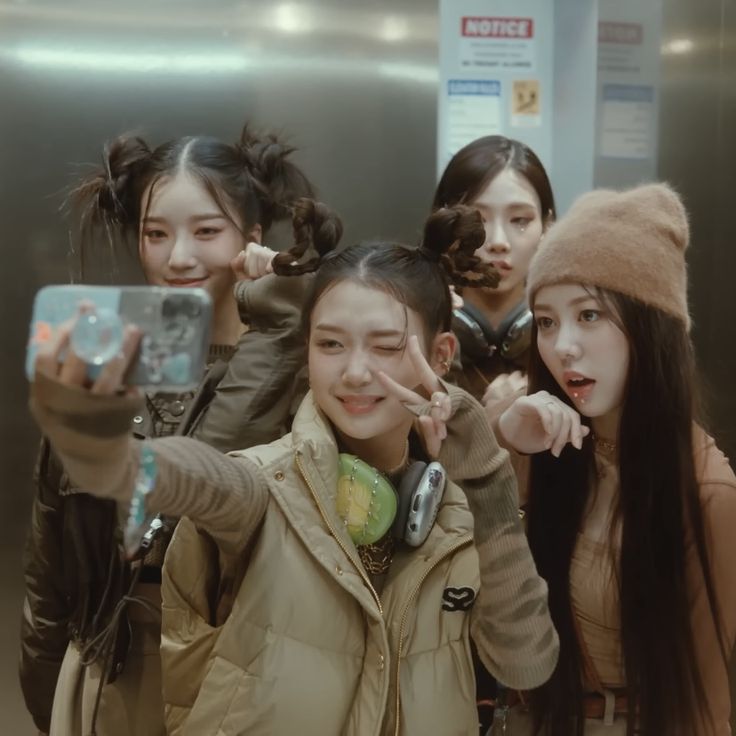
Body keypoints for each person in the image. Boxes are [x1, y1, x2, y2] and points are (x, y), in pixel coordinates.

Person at [29, 205, 560, 736]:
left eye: (385, 346)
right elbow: (195, 478)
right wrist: (103, 449)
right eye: (330, 344)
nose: (354, 372)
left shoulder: (464, 512)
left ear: (442, 355)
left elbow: (526, 665)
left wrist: (489, 479)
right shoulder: (265, 487)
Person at [19, 124, 324, 736]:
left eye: (206, 231)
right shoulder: (106, 361)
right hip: (112, 669)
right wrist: (51, 695)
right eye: (155, 233)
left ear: (253, 240)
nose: (177, 255)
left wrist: (279, 316)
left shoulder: (302, 364)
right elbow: (48, 559)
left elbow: (210, 483)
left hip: (246, 676)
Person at [494, 183, 736, 734]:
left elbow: (700, 705)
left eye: (589, 315)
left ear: (651, 328)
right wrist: (502, 442)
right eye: (548, 321)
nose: (563, 347)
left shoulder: (705, 495)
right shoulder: (541, 441)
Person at [432, 135, 555, 406]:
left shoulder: (568, 344)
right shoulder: (415, 335)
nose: (498, 241)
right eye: (477, 219)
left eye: (520, 220)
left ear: (547, 226)